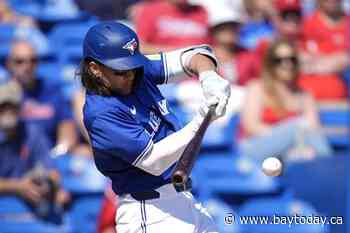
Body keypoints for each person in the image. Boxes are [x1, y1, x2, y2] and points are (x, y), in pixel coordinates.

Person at [81, 21, 230, 233]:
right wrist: (202, 119)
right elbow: (154, 161)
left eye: (132, 67)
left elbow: (195, 55)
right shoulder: (101, 113)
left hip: (183, 198)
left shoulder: (134, 70)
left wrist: (209, 77)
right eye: (121, 71)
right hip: (150, 212)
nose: (130, 75)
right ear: (95, 69)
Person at [238, 39, 332, 163]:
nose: (287, 64)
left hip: (285, 155)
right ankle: (328, 164)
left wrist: (290, 144)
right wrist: (287, 135)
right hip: (255, 148)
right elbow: (252, 127)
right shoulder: (257, 88)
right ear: (269, 64)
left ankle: (325, 166)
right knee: (299, 126)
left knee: (301, 155)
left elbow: (314, 129)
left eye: (291, 59)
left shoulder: (304, 95)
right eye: (279, 60)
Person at [0, 79, 70, 223]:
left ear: (20, 109)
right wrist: (18, 186)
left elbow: (52, 171)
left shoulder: (33, 132)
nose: (7, 113)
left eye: (12, 107)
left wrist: (49, 184)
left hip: (30, 204)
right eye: (2, 108)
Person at [6, 40, 78, 154]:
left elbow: (67, 125)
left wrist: (58, 152)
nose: (27, 66)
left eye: (33, 61)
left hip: (49, 158)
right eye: (20, 61)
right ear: (9, 64)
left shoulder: (51, 90)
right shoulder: (3, 95)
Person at [299, 0, 350, 101]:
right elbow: (294, 59)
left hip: (344, 102)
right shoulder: (304, 24)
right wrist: (337, 61)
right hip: (307, 100)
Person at [133, 0, 210, 54]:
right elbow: (140, 48)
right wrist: (183, 52)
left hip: (201, 67)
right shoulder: (150, 10)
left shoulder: (201, 10)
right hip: (167, 68)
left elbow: (216, 47)